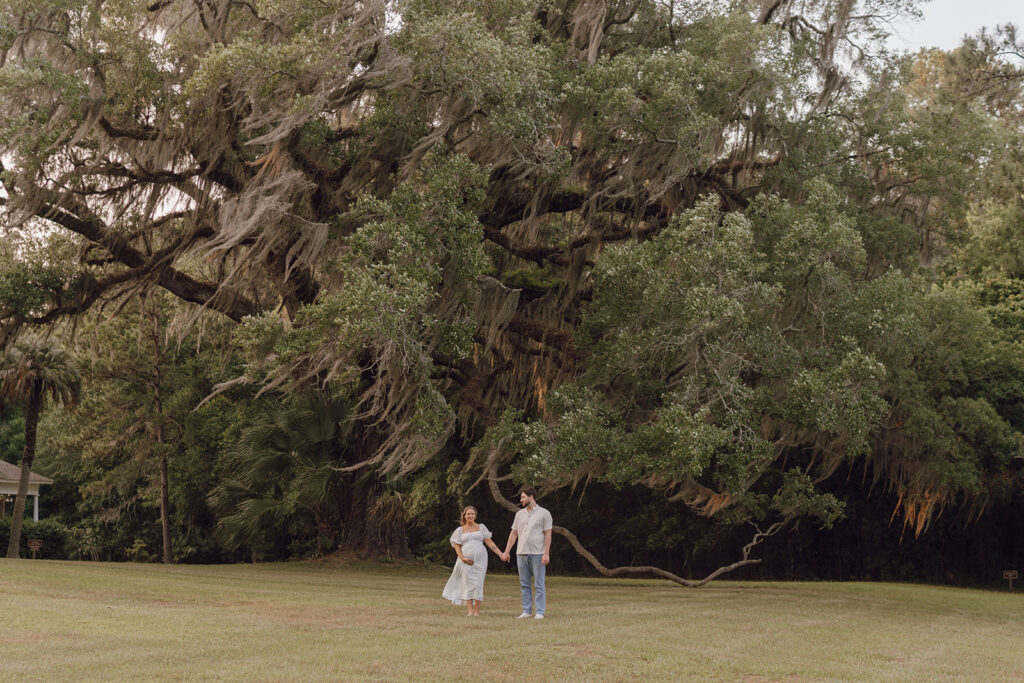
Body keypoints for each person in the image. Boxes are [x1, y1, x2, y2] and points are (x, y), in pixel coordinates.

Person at [500, 487, 552, 620]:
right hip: (521, 553)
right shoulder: (519, 514)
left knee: (539, 584)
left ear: (531, 497)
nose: (521, 499)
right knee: (524, 584)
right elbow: (514, 533)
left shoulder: (544, 513)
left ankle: (540, 612)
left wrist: (546, 554)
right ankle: (526, 611)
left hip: (538, 553)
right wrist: (506, 551)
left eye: (523, 497)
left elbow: (548, 535)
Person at [442, 505, 503, 616]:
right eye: (468, 514)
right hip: (465, 561)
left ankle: (477, 612)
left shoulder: (481, 527)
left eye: (472, 514)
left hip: (480, 560)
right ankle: (470, 611)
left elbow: (490, 543)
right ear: (464, 516)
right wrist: (463, 558)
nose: (470, 516)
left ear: (475, 515)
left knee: (478, 583)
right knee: (467, 584)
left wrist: (500, 554)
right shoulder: (460, 530)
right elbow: (457, 547)